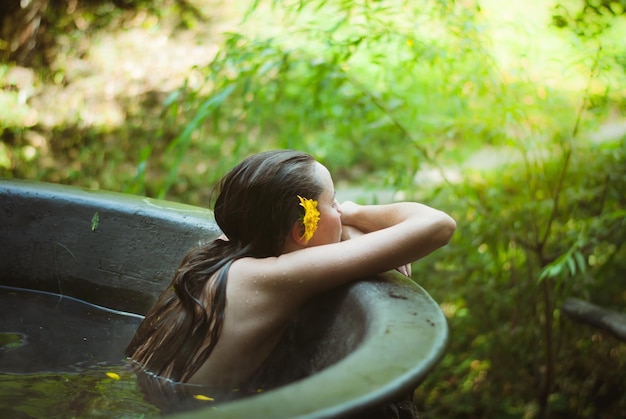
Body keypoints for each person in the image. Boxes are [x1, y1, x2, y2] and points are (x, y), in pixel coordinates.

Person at [125, 149, 456, 392]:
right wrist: (358, 213)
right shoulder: (273, 276)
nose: (341, 210)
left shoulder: (219, 250)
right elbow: (438, 225)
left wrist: (340, 223)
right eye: (334, 202)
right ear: (301, 231)